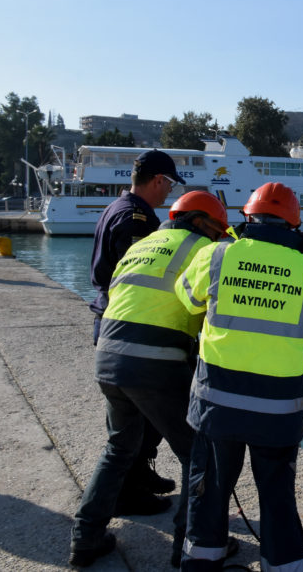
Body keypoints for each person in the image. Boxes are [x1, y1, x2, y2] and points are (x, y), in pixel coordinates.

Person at [176, 182, 303, 571]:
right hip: (280, 409)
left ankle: (202, 561)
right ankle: (283, 565)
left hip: (217, 404)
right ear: (293, 224)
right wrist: (294, 353)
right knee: (277, 494)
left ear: (247, 216)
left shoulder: (217, 255)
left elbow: (186, 298)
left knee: (210, 489)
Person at [70, 192, 232, 567]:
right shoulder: (200, 250)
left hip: (108, 355)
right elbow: (211, 312)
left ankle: (85, 537)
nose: (220, 236)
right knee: (198, 453)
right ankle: (190, 547)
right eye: (217, 229)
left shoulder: (147, 243)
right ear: (197, 221)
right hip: (154, 360)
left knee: (119, 447)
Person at [89, 149, 185, 516]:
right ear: (158, 180)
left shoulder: (116, 208)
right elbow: (139, 280)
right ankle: (131, 490)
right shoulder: (137, 219)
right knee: (138, 420)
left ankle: (139, 475)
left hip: (111, 318)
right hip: (127, 323)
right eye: (169, 184)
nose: (169, 193)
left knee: (135, 420)